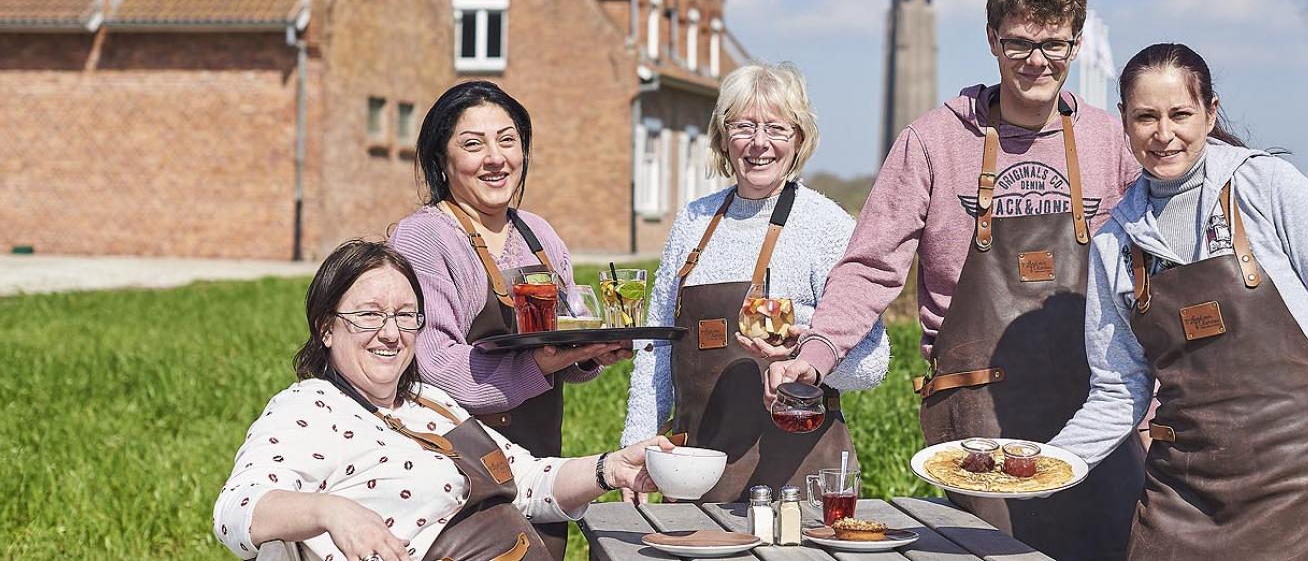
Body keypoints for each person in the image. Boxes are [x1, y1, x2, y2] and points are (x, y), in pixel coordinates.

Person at [766, 0, 1145, 559]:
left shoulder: (1110, 140)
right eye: (1019, 42)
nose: (1037, 59)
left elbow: (1154, 267)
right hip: (975, 405)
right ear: (993, 40)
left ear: (1074, 43)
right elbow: (871, 265)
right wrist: (815, 354)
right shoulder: (934, 140)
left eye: (1053, 43)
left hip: (1094, 401)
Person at [1053, 43, 1308, 558]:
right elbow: (1119, 388)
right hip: (1185, 493)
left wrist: (1284, 393)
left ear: (1210, 112)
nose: (1164, 134)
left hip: (1300, 482)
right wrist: (1051, 463)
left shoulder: (1267, 187)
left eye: (1180, 114)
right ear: (1124, 121)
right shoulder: (1115, 242)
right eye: (1145, 117)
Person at [214, 240, 672, 561]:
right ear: (326, 327)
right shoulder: (308, 407)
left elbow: (529, 480)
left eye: (405, 316)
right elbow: (235, 511)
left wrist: (611, 468)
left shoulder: (428, 402)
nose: (391, 333)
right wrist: (330, 511)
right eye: (369, 315)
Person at [619, 62, 890, 502]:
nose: (759, 143)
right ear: (723, 137)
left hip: (799, 478)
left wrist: (808, 342)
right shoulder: (693, 222)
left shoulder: (827, 226)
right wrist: (637, 450)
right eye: (744, 126)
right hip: (693, 476)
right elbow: (655, 348)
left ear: (799, 139)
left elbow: (873, 363)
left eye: (777, 129)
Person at [388, 80, 631, 561]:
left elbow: (571, 325)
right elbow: (433, 364)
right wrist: (538, 367)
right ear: (441, 158)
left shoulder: (537, 232)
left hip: (540, 460)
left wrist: (592, 353)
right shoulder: (425, 238)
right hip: (456, 467)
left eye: (508, 140)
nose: (495, 158)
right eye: (473, 144)